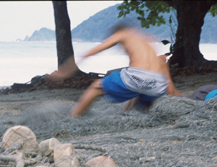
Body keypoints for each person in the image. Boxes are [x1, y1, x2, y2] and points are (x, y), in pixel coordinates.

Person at [47, 22, 184, 117]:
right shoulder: (148, 41)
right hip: (157, 84)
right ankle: (125, 113)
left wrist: (64, 72)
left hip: (138, 77)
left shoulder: (123, 33)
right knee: (139, 89)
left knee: (97, 86)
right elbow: (167, 85)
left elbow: (93, 51)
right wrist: (182, 98)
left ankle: (72, 117)